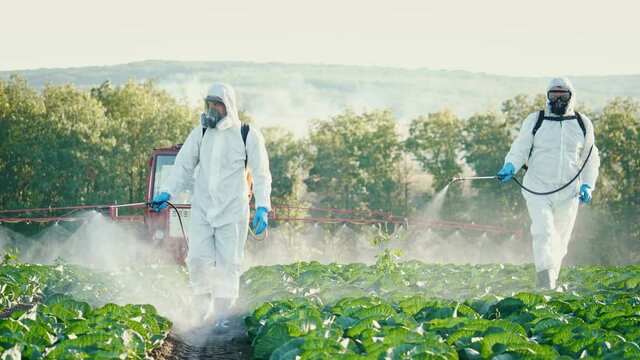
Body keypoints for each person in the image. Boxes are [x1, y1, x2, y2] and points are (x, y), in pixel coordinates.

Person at [152, 83, 272, 328]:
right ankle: (201, 307)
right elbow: (183, 165)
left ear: (228, 106)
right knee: (197, 258)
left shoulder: (247, 134)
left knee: (229, 262)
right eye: (210, 104)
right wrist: (167, 191)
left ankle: (223, 315)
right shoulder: (201, 133)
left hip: (233, 210)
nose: (213, 109)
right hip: (203, 209)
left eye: (217, 104)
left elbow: (261, 174)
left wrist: (263, 207)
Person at [496, 77, 600, 289]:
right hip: (537, 188)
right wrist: (510, 166)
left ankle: (550, 280)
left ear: (571, 96)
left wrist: (588, 184)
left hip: (569, 191)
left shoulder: (582, 123)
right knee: (543, 231)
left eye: (563, 95)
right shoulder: (536, 121)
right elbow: (520, 149)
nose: (559, 99)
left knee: (560, 240)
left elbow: (590, 157)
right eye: (554, 94)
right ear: (547, 96)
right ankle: (545, 280)